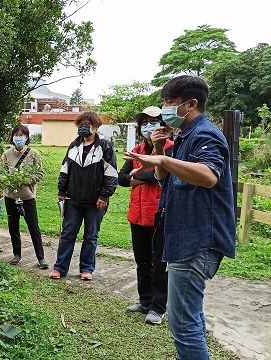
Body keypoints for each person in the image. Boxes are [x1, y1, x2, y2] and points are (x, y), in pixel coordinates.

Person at [124, 75, 236, 359]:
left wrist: (162, 159)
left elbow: (209, 176)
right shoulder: (183, 136)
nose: (165, 109)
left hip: (196, 240)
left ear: (191, 104)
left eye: (170, 102)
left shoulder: (205, 134)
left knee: (183, 322)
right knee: (189, 316)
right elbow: (164, 180)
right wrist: (161, 151)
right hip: (183, 237)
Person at [119, 106, 174, 325]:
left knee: (159, 263)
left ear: (163, 126)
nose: (148, 126)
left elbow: (159, 174)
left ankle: (158, 307)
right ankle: (145, 301)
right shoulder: (137, 149)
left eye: (153, 122)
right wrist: (138, 176)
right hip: (137, 213)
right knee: (141, 260)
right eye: (145, 122)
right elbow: (121, 178)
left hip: (158, 213)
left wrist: (136, 175)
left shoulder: (170, 148)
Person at [50, 111, 117, 281]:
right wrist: (61, 192)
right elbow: (64, 170)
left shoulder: (105, 146)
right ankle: (60, 267)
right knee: (67, 234)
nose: (82, 128)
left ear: (95, 126)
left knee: (91, 236)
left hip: (96, 202)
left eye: (86, 124)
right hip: (73, 200)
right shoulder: (73, 146)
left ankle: (87, 269)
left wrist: (104, 195)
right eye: (80, 125)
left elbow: (111, 174)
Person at [1, 125, 48, 269]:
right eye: (16, 135)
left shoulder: (34, 154)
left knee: (33, 227)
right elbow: (0, 172)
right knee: (13, 226)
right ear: (12, 137)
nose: (19, 138)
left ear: (27, 137)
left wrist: (27, 180)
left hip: (27, 197)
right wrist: (6, 179)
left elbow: (40, 173)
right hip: (10, 196)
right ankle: (17, 254)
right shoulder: (6, 154)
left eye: (22, 135)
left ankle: (41, 257)